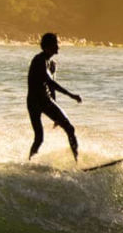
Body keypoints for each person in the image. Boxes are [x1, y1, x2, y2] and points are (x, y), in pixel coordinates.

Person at [27, 32, 82, 161]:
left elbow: (51, 88)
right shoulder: (38, 60)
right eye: (55, 44)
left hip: (46, 100)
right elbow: (50, 82)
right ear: (47, 46)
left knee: (70, 128)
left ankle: (77, 162)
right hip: (34, 102)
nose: (58, 46)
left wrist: (55, 110)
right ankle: (29, 162)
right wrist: (71, 95)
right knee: (39, 138)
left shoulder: (52, 64)